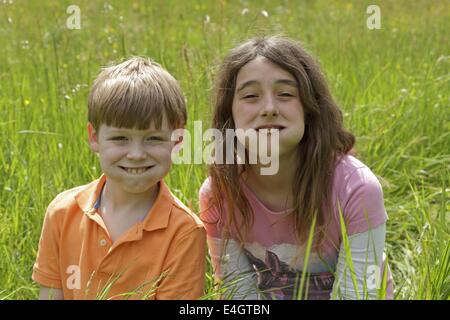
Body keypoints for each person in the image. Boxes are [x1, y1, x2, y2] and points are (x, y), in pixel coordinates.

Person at [199, 36, 394, 300]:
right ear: (229, 115)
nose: (269, 108)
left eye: (286, 94)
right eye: (250, 96)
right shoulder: (220, 192)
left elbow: (357, 296)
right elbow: (238, 295)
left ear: (310, 108)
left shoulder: (356, 188)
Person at [32, 57, 206, 300]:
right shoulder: (62, 212)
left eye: (153, 138)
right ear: (94, 137)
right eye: (120, 138)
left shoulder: (185, 232)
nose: (136, 154)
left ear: (177, 140)